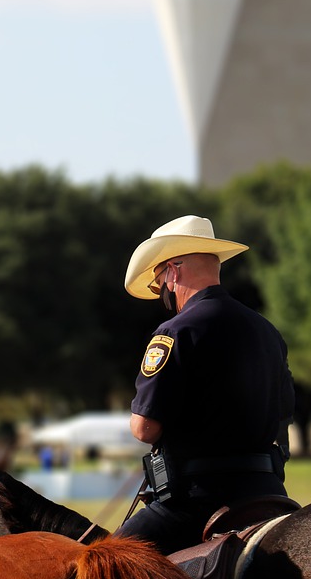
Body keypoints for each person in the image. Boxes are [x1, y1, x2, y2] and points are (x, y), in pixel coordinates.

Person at [116, 215, 294, 555]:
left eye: (159, 281)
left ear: (173, 271)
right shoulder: (267, 331)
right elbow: (284, 413)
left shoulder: (175, 332)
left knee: (99, 569)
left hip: (198, 501)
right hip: (268, 492)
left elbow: (144, 428)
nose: (162, 291)